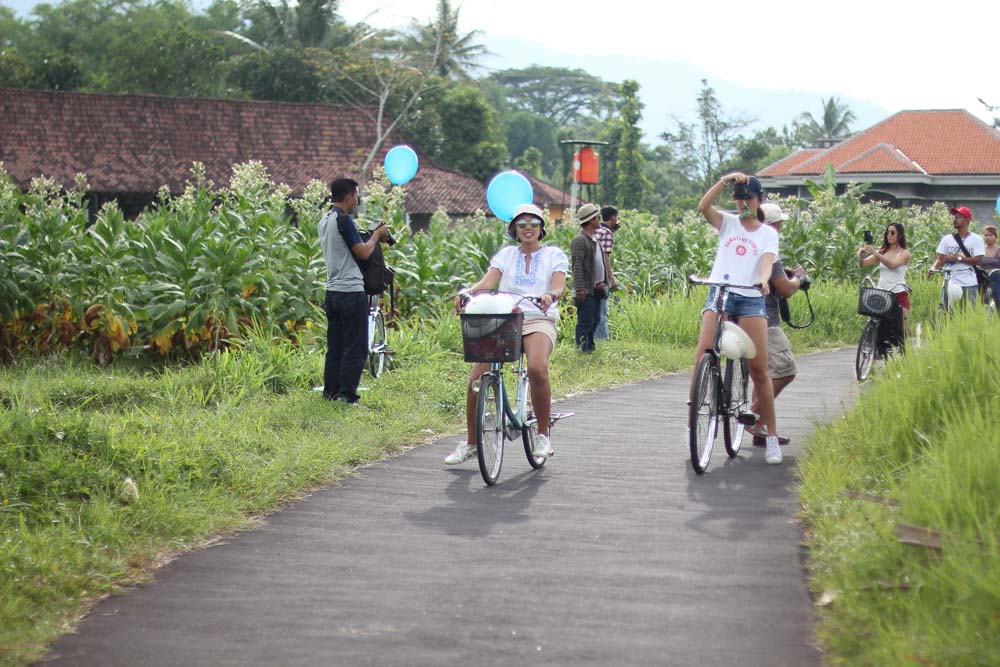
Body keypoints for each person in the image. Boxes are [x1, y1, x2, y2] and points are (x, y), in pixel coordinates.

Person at [444, 203, 568, 464]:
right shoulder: (507, 255)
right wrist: (468, 292)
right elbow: (488, 282)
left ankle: (543, 434)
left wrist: (549, 295)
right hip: (504, 319)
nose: (528, 229)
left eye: (534, 224)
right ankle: (471, 443)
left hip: (538, 319)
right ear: (514, 229)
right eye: (522, 224)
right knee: (476, 378)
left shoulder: (554, 255)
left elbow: (559, 287)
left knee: (536, 368)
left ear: (541, 228)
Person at [696, 173, 783, 465]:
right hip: (719, 292)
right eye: (738, 198)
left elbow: (766, 264)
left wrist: (763, 281)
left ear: (759, 200)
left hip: (750, 297)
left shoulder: (768, 233)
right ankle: (691, 428)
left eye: (748, 198)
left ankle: (771, 436)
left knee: (759, 369)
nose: (742, 202)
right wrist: (723, 181)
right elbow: (703, 206)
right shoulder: (728, 223)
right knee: (702, 360)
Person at [317, 177, 390, 405]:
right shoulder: (344, 220)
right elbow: (363, 253)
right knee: (356, 346)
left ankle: (331, 392)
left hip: (332, 291)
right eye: (356, 196)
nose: (357, 201)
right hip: (350, 291)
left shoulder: (325, 220)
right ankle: (348, 396)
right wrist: (377, 236)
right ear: (348, 197)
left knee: (336, 346)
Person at [748, 202, 807, 448]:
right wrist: (799, 277)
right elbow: (785, 288)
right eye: (779, 224)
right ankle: (752, 414)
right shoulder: (770, 248)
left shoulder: (748, 245)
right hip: (765, 319)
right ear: (772, 225)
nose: (781, 228)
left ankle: (760, 425)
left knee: (762, 373)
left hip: (740, 316)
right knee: (785, 370)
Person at [859, 222, 911, 342]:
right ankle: (875, 351)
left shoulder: (904, 253)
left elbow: (892, 265)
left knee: (900, 330)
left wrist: (875, 253)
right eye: (887, 232)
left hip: (898, 293)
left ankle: (902, 352)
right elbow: (864, 264)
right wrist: (861, 256)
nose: (889, 235)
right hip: (882, 293)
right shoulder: (882, 251)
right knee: (877, 324)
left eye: (893, 233)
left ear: (900, 236)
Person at [929, 206, 984, 306]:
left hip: (969, 283)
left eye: (959, 217)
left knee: (969, 313)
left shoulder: (976, 239)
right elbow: (940, 259)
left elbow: (979, 260)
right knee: (946, 310)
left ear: (967, 220)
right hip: (950, 281)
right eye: (954, 217)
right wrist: (933, 268)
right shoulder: (947, 239)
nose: (955, 219)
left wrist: (959, 258)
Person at [570, 202, 606, 353]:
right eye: (597, 217)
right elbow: (577, 265)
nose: (599, 220)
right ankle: (582, 349)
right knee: (586, 321)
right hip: (585, 289)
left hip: (595, 288)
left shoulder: (593, 238)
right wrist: (580, 288)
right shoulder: (580, 240)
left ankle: (590, 347)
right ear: (591, 220)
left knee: (595, 319)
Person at [593, 206, 620, 340]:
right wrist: (611, 278)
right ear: (613, 217)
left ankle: (591, 337)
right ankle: (602, 339)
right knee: (602, 310)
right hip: (602, 276)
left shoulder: (595, 229)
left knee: (593, 308)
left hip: (590, 275)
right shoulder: (607, 233)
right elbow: (605, 257)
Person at [981, 225, 1000, 309]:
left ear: (995, 237)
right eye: (986, 235)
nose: (988, 237)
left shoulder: (998, 250)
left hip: (996, 277)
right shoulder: (979, 249)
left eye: (991, 235)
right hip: (982, 277)